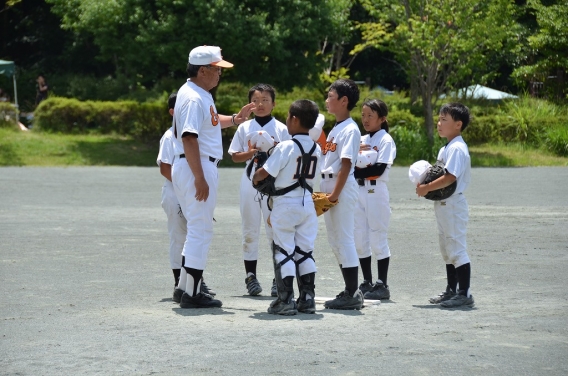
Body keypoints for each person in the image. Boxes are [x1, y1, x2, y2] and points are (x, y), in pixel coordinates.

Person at [171, 45, 255, 309]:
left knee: (196, 228)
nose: (220, 73)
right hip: (196, 165)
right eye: (217, 69)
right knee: (201, 230)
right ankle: (193, 293)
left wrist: (235, 119)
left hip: (190, 165)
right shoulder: (196, 97)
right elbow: (189, 137)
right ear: (203, 70)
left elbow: (209, 121)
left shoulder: (195, 93)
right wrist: (200, 177)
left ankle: (184, 288)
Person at [252, 99, 321, 315]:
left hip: (285, 203)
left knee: (283, 251)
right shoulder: (317, 147)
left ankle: (285, 300)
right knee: (305, 251)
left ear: (294, 119)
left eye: (289, 116)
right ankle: (308, 299)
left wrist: (256, 176)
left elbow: (264, 174)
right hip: (307, 203)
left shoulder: (286, 146)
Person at [228, 83, 290, 297]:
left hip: (273, 185)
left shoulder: (282, 128)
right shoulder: (244, 127)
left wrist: (272, 149)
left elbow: (289, 156)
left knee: (275, 230)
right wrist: (252, 152)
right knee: (250, 230)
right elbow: (235, 156)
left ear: (273, 103)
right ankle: (251, 277)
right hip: (249, 183)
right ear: (250, 104)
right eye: (256, 100)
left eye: (265, 100)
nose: (260, 104)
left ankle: (277, 278)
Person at [156, 93, 215, 303]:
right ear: (173, 112)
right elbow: (164, 167)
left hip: (185, 187)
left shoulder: (194, 132)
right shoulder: (168, 136)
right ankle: (179, 282)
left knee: (192, 234)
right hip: (174, 190)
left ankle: (189, 281)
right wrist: (183, 186)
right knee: (180, 236)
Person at [416, 102, 474, 308]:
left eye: (444, 120)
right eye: (439, 119)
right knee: (446, 248)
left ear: (458, 124)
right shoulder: (446, 147)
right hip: (443, 204)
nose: (439, 123)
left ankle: (465, 293)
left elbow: (450, 177)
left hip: (453, 205)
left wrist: (426, 188)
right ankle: (452, 290)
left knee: (456, 247)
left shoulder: (457, 148)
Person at [319, 79, 363, 310]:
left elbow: (346, 165)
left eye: (331, 96)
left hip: (341, 187)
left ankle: (352, 292)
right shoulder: (336, 127)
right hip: (331, 186)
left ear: (344, 101)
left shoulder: (350, 128)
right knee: (335, 240)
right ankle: (349, 289)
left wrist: (334, 195)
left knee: (344, 239)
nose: (327, 100)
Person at [353, 99, 396, 301]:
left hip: (376, 191)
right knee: (360, 238)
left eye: (371, 115)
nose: (366, 119)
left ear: (382, 118)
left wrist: (358, 170)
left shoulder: (385, 140)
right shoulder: (360, 139)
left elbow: (378, 169)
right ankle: (367, 282)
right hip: (358, 191)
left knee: (377, 237)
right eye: (363, 115)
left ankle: (383, 284)